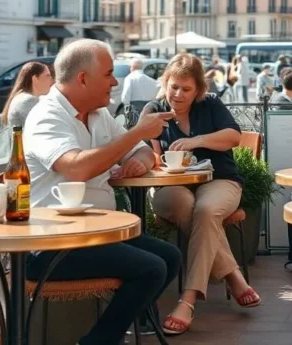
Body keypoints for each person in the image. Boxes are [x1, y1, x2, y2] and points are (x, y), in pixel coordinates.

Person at [22, 39, 180, 345]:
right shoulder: (47, 116)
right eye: (108, 74)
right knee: (151, 268)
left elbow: (145, 153)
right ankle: (101, 339)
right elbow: (75, 168)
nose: (115, 81)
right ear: (83, 79)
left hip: (99, 234)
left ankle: (114, 329)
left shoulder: (98, 114)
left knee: (170, 257)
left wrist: (137, 160)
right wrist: (136, 133)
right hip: (54, 243)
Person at [145, 54, 260, 335]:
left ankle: (188, 298)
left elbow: (233, 136)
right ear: (165, 83)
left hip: (220, 180)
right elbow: (149, 155)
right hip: (169, 187)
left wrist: (197, 141)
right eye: (173, 86)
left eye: (186, 89)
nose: (177, 94)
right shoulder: (154, 110)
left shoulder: (210, 106)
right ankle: (232, 274)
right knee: (189, 204)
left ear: (198, 90)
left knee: (206, 210)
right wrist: (154, 158)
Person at [2, 62, 54, 129]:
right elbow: (46, 128)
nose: (51, 80)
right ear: (35, 79)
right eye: (47, 76)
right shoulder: (28, 100)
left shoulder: (23, 97)